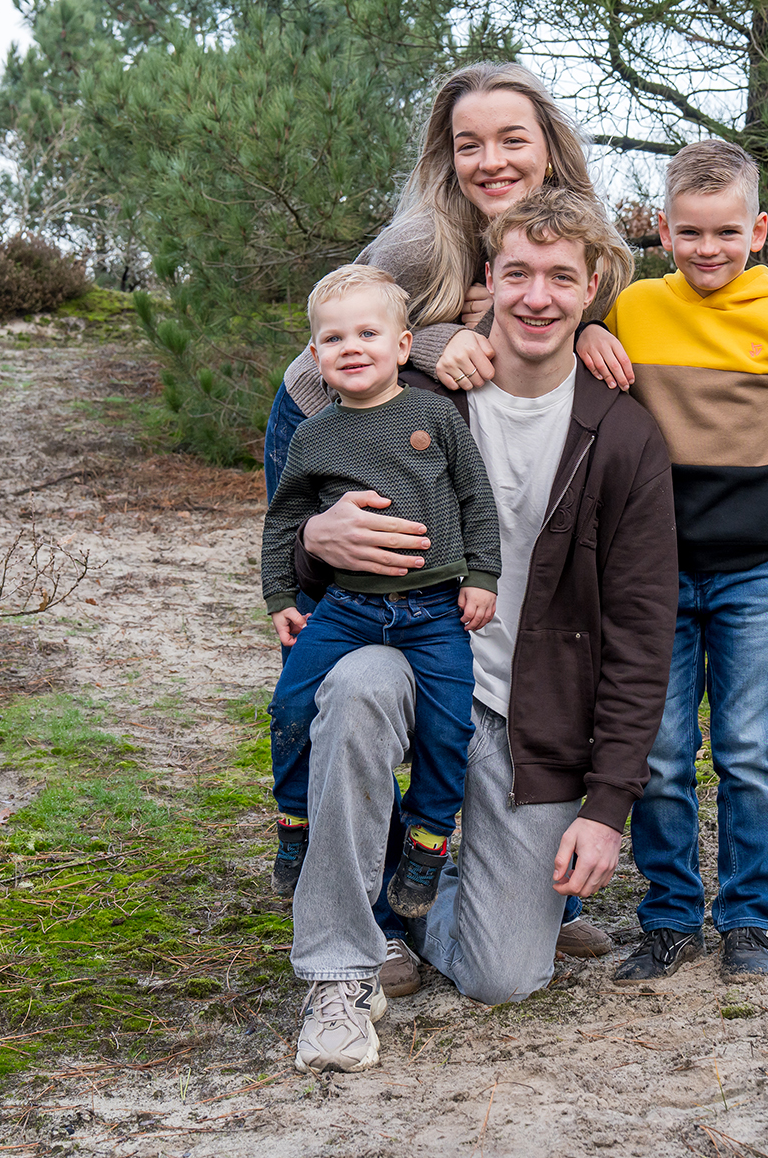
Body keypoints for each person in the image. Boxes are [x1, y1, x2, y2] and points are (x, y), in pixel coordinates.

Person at [286, 188, 678, 1073]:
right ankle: (339, 973)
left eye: (560, 278)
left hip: (523, 714)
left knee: (506, 976)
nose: (537, 296)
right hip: (410, 667)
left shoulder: (623, 437)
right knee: (352, 691)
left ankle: (433, 899)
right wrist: (314, 538)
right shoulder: (414, 398)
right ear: (487, 283)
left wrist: (608, 805)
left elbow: (644, 631)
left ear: (593, 289)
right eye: (518, 274)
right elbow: (308, 482)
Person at [260, 62, 627, 989]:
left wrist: (583, 332)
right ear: (446, 154)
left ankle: (538, 897)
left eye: (514, 140)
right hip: (322, 423)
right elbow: (334, 356)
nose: (492, 160)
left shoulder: (579, 228)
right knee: (350, 654)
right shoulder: (422, 240)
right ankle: (377, 911)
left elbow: (568, 316)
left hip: (437, 441)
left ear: (551, 146)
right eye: (470, 144)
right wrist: (426, 339)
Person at [601, 139, 768, 985]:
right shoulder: (637, 309)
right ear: (662, 229)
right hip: (651, 571)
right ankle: (670, 915)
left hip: (753, 573)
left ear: (757, 230)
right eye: (690, 232)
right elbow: (589, 370)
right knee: (659, 752)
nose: (708, 248)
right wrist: (584, 344)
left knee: (749, 749)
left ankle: (748, 917)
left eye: (726, 232)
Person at [262, 265, 500, 918]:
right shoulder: (312, 436)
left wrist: (482, 577)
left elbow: (477, 497)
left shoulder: (435, 415)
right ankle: (293, 823)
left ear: (402, 346)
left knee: (449, 729)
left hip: (433, 611)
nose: (352, 347)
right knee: (291, 706)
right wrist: (281, 595)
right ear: (315, 356)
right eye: (334, 338)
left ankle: (427, 840)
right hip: (348, 609)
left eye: (368, 332)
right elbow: (284, 520)